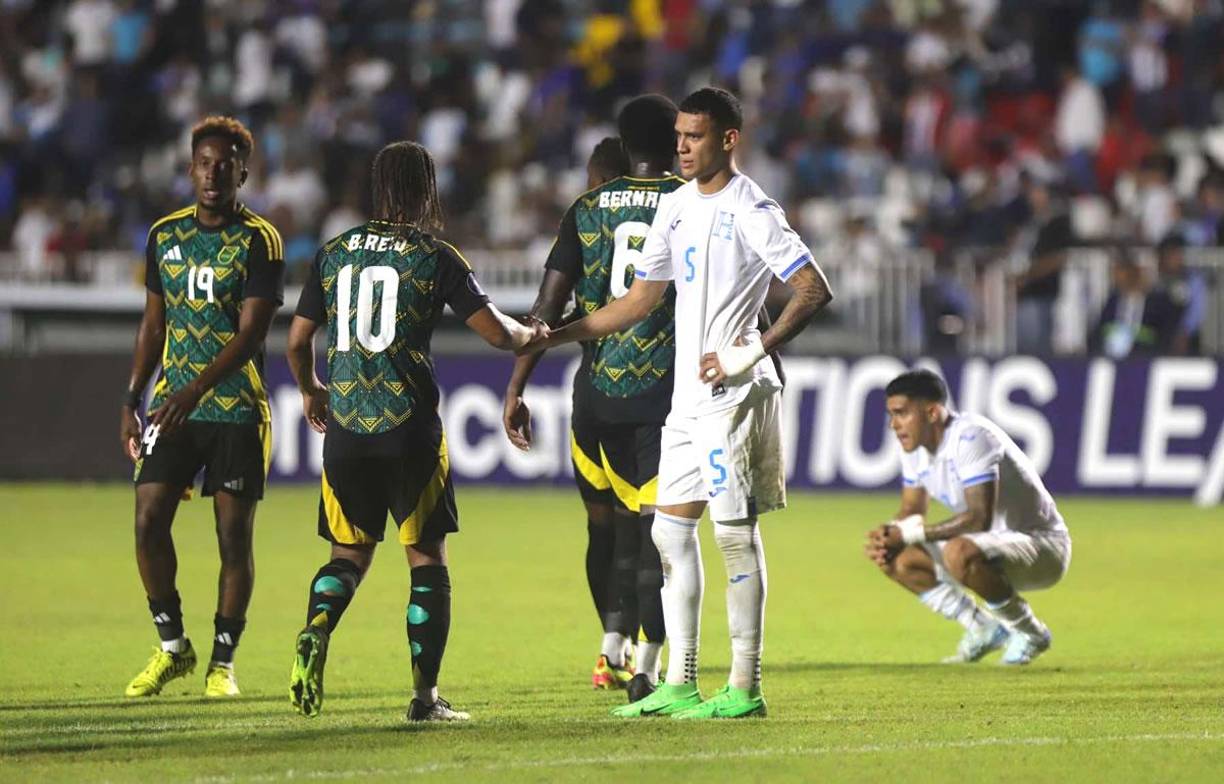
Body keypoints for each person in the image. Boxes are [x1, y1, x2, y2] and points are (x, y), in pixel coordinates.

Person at [521, 87, 833, 719]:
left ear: (728, 140)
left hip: (732, 394)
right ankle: (681, 680)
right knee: (669, 532)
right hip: (686, 402)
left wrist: (755, 349)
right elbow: (638, 301)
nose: (682, 146)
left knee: (734, 537)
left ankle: (745, 688)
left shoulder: (751, 208)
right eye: (680, 135)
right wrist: (560, 333)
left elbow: (811, 287)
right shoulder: (677, 206)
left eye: (695, 136)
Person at [286, 141, 544, 723]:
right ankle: (426, 701)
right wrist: (529, 336)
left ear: (379, 189)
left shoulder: (334, 253)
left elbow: (297, 341)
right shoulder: (435, 256)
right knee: (426, 560)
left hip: (347, 428)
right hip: (409, 429)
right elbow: (496, 333)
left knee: (347, 554)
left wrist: (310, 388)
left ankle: (316, 628)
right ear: (426, 190)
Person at [503, 96, 684, 702]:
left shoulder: (585, 209)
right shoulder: (688, 203)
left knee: (612, 530)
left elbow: (544, 312)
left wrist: (516, 387)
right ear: (676, 136)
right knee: (662, 537)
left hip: (598, 398)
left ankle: (615, 648)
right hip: (664, 397)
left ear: (624, 142)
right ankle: (652, 669)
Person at [120, 116, 285, 698]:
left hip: (236, 409)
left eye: (225, 164)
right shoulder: (164, 235)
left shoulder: (260, 240)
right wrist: (132, 397)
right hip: (170, 408)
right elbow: (152, 322)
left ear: (243, 171)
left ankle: (223, 663)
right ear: (190, 168)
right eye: (204, 163)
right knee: (147, 521)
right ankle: (173, 648)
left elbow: (250, 336)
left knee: (233, 539)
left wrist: (193, 389)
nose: (213, 174)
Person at [865, 370, 1072, 666]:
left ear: (932, 412)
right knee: (898, 556)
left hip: (1042, 548)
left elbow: (979, 519)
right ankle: (983, 627)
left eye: (900, 413)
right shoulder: (914, 448)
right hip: (990, 549)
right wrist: (889, 534)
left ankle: (1030, 632)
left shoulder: (971, 437)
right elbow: (911, 512)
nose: (893, 425)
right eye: (891, 415)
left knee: (958, 550)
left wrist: (908, 534)